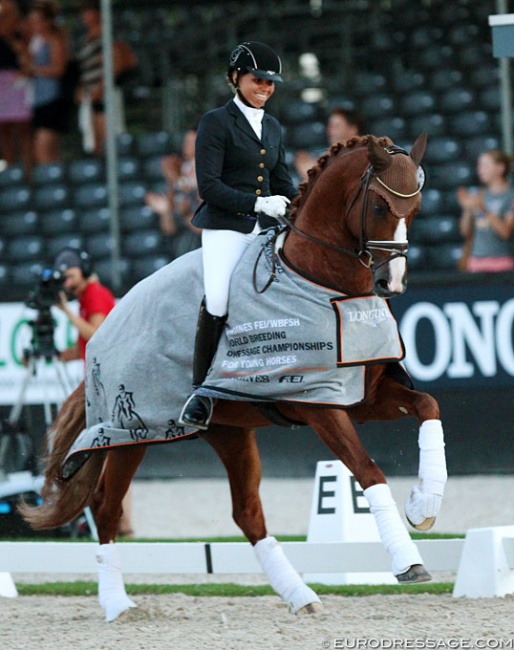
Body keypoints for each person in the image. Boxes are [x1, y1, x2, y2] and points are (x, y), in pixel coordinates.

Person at [178, 41, 298, 430]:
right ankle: (201, 393)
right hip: (227, 226)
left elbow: (283, 182)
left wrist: (300, 209)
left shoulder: (274, 126)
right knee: (218, 299)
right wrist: (257, 203)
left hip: (266, 228)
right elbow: (208, 186)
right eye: (257, 79)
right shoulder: (216, 121)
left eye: (270, 82)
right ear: (235, 78)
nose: (265, 87)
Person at [53, 247, 135, 537]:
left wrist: (65, 312)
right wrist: (59, 354)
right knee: (110, 452)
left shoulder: (96, 295)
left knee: (105, 450)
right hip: (99, 378)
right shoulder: (87, 299)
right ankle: (119, 520)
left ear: (84, 271)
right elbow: (84, 347)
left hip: (104, 380)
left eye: (70, 276)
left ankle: (117, 518)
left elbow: (96, 335)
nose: (66, 283)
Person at [75, 0, 137, 156]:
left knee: (107, 140)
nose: (85, 16)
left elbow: (119, 64)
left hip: (106, 93)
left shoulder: (108, 34)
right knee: (94, 141)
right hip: (90, 94)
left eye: (89, 11)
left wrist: (101, 87)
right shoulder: (85, 39)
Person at [20, 0, 69, 164]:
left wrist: (34, 69)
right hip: (37, 99)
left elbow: (58, 69)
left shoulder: (54, 40)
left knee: (44, 150)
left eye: (38, 20)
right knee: (45, 152)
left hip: (51, 99)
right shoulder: (34, 42)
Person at [144, 128, 202, 259]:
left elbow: (200, 226)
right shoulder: (181, 170)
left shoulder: (208, 171)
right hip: (181, 244)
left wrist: (176, 180)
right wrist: (166, 210)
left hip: (201, 246)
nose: (187, 145)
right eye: (186, 141)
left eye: (192, 141)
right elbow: (169, 228)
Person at [457, 149, 514, 273]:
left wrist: (484, 209)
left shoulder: (510, 196)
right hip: (476, 262)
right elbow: (465, 232)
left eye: (485, 165)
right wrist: (467, 209)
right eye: (479, 165)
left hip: (502, 262)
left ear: (500, 168)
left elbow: (505, 232)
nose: (480, 170)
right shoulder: (478, 195)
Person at [0, 0, 33, 173]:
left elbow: (29, 53)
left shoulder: (21, 29)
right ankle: (10, 172)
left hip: (18, 80)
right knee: (4, 130)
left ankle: (28, 173)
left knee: (24, 130)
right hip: (1, 83)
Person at [294, 106, 364, 181]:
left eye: (336, 126)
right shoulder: (326, 156)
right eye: (330, 126)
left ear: (353, 129)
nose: (330, 131)